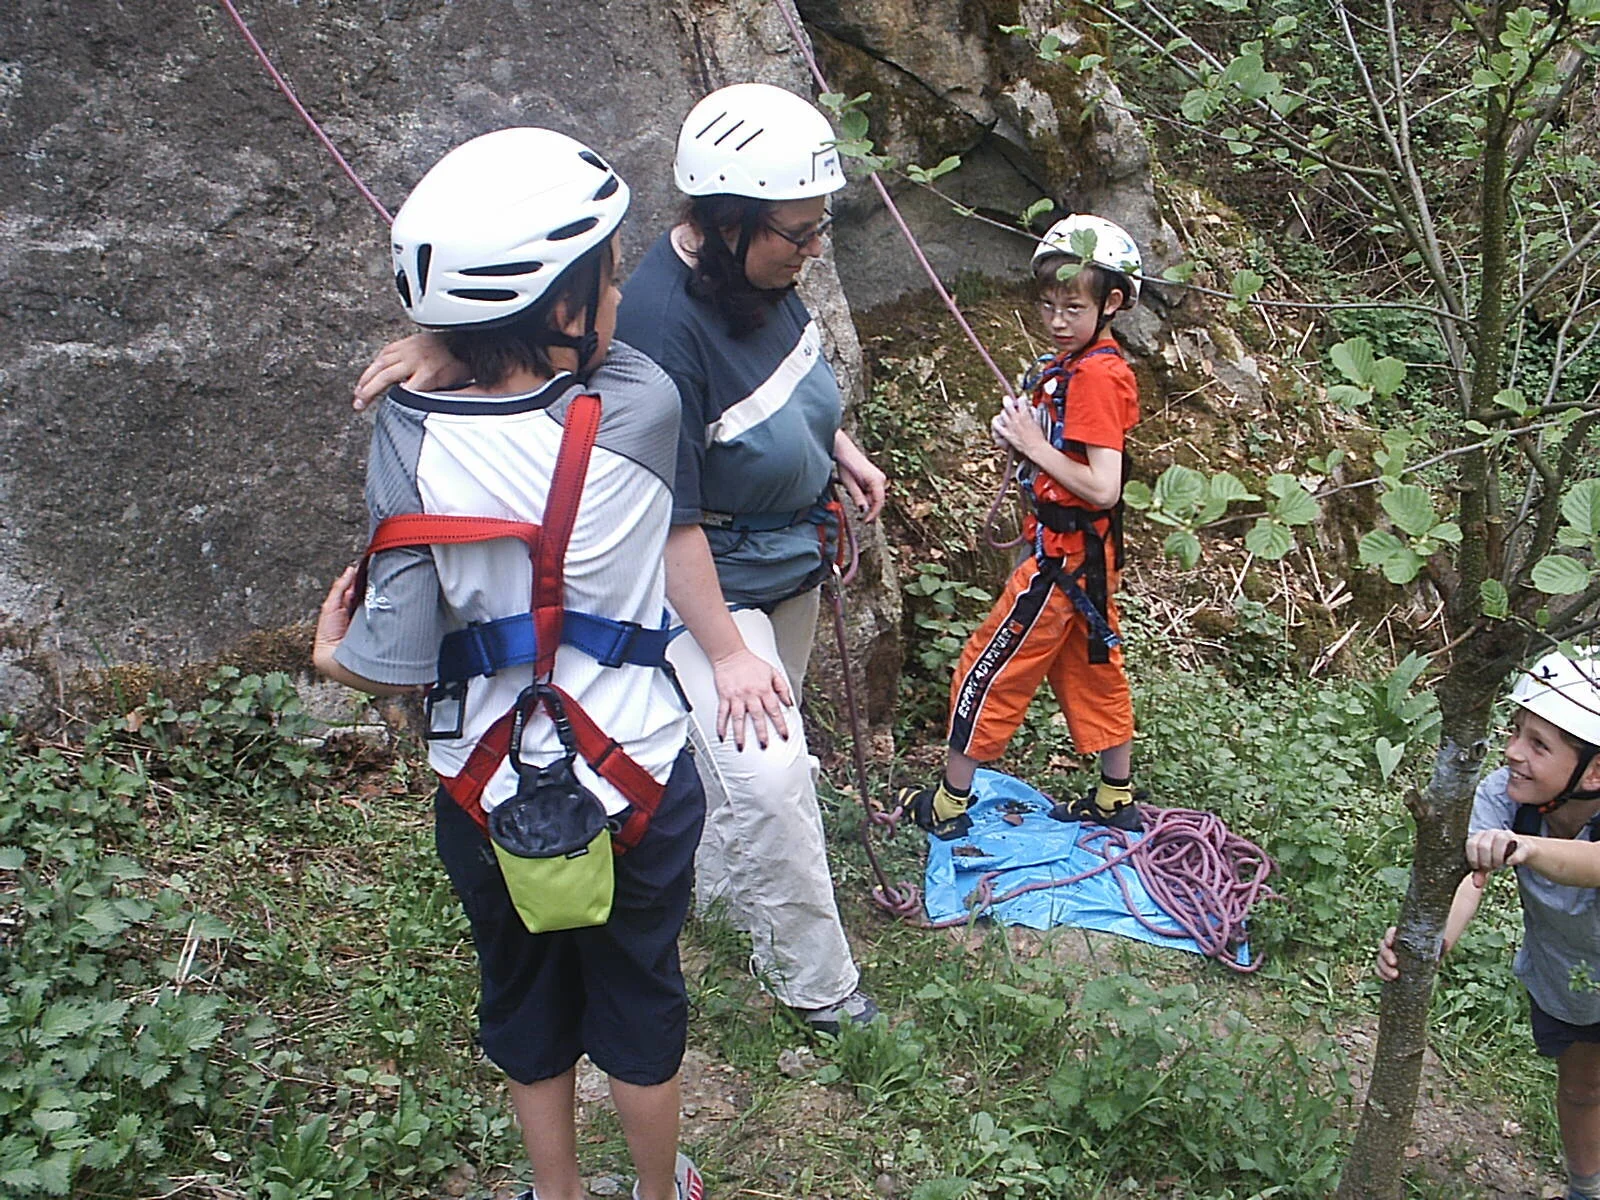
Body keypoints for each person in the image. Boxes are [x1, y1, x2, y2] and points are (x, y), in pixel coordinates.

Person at [352, 83, 887, 1034]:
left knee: (745, 759)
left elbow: (782, 382)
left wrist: (833, 444)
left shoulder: (756, 281)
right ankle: (822, 987)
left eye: (818, 230)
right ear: (727, 223)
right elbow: (665, 516)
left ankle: (721, 897)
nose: (813, 253)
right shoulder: (647, 328)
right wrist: (450, 342)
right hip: (713, 591)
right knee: (768, 768)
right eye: (796, 235)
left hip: (781, 561)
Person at [313, 127, 705, 1200]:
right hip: (635, 766)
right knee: (638, 989)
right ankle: (660, 1190)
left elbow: (388, 658)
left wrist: (326, 655)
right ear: (569, 309)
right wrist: (485, 344)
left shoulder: (407, 433)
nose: (620, 285)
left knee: (522, 993)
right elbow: (592, 373)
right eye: (606, 272)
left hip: (486, 783)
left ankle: (557, 1192)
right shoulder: (641, 406)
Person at [897, 215, 1144, 840]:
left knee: (987, 666)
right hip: (1086, 559)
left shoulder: (1093, 377)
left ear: (1112, 303)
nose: (1058, 319)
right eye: (1049, 305)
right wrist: (1023, 432)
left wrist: (1033, 445)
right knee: (1091, 670)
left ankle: (948, 806)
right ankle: (1117, 799)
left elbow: (1102, 485)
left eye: (1074, 306)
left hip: (1063, 560)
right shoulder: (1079, 365)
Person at [1377, 648, 1600, 1200]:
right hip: (1570, 977)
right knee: (1582, 1088)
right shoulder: (1504, 795)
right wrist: (1429, 943)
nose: (1513, 752)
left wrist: (1525, 848)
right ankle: (1585, 1189)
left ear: (1594, 770)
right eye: (1516, 731)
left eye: (1538, 745)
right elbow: (1464, 882)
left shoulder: (1530, 832)